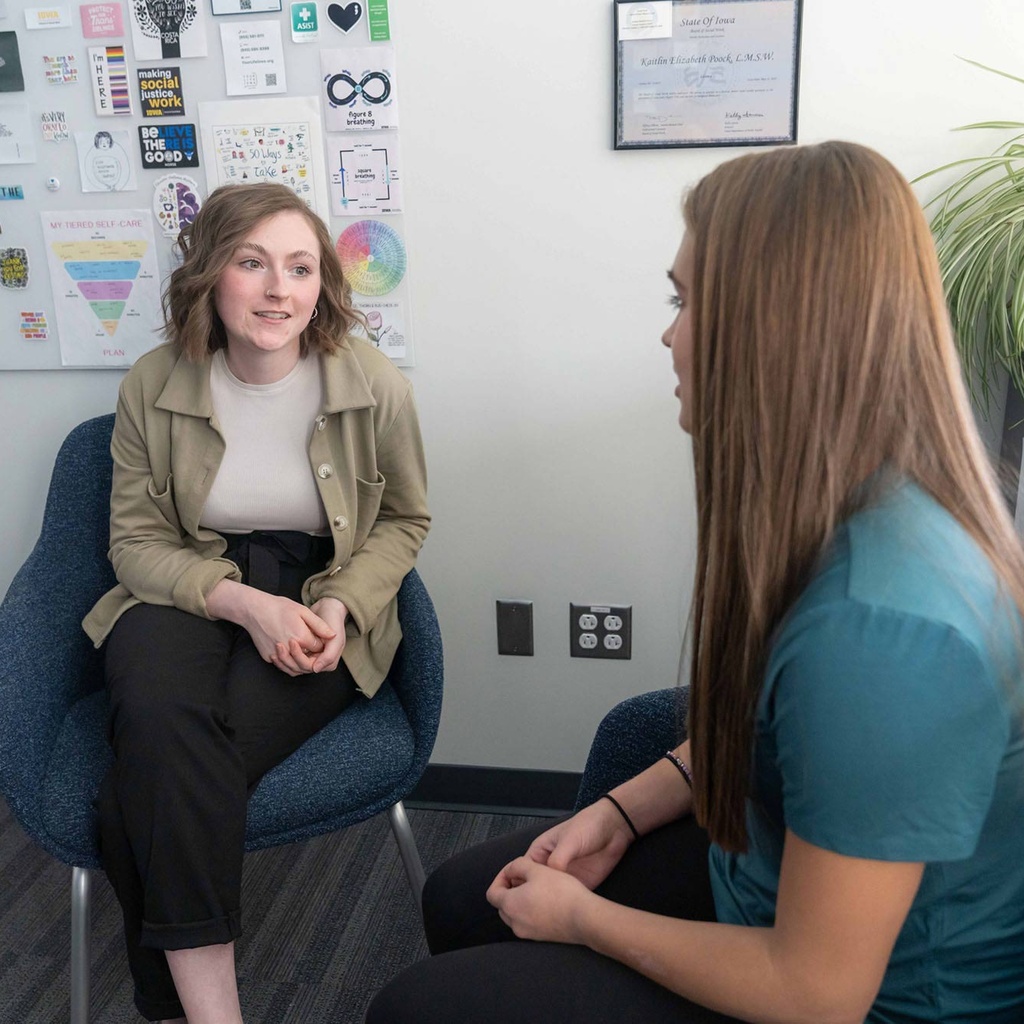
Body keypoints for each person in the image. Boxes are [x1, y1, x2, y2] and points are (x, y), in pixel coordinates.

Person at [366, 141, 1024, 1023]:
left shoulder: (884, 630)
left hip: (864, 999)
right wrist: (618, 817)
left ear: (775, 327)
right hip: (771, 884)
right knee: (461, 896)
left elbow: (817, 991)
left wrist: (587, 921)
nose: (667, 334)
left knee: (420, 1008)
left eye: (684, 301)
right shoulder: (837, 509)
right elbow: (763, 729)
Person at [83, 182, 430, 1023]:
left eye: (300, 268)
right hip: (179, 585)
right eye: (253, 262)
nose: (280, 289)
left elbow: (404, 518)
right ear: (211, 275)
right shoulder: (152, 383)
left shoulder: (371, 383)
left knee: (140, 793)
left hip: (317, 595)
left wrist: (341, 606)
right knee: (165, 726)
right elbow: (133, 543)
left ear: (322, 287)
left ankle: (170, 1004)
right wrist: (242, 605)